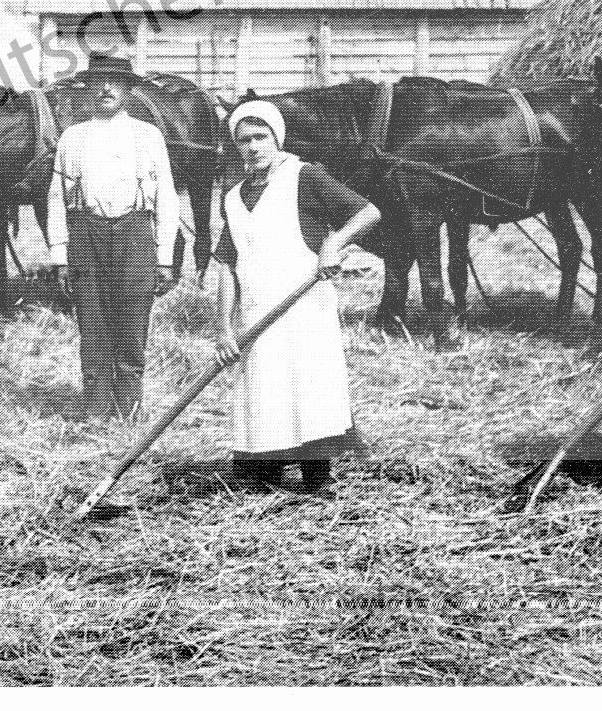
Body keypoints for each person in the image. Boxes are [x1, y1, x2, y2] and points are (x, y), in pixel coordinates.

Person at [212, 100, 382, 492]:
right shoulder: (234, 197)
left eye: (261, 137)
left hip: (305, 308)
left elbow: (368, 212)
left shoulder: (305, 176)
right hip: (257, 314)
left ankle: (317, 480)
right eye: (244, 140)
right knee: (264, 390)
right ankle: (268, 472)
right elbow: (226, 265)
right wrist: (223, 328)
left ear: (277, 139)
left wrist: (333, 244)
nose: (253, 146)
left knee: (309, 388)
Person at [45, 52, 180, 420]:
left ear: (128, 90)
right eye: (98, 82)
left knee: (133, 320)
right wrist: (60, 255)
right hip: (85, 235)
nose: (106, 88)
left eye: (115, 83)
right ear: (87, 90)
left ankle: (129, 409)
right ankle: (97, 407)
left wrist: (165, 256)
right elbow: (56, 198)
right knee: (92, 322)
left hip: (136, 233)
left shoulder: (147, 135)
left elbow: (167, 195)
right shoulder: (73, 136)